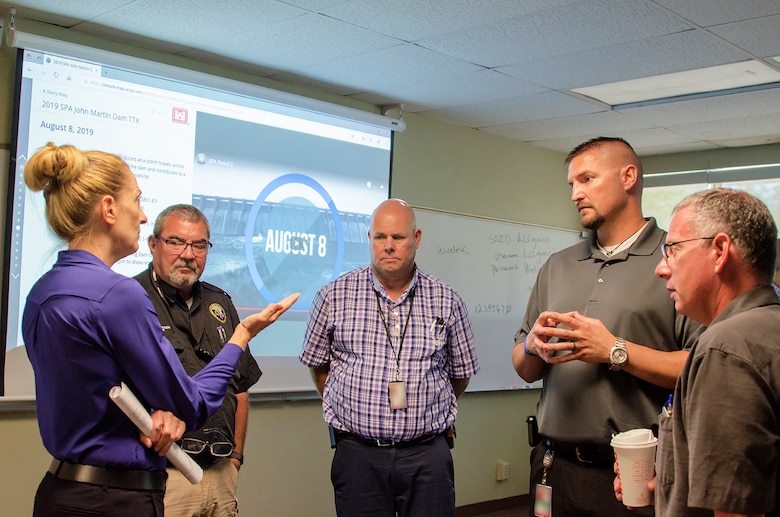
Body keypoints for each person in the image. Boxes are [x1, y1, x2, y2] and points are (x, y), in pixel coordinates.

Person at [22, 142, 297, 517]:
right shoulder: (120, 294)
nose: (141, 215)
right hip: (115, 499)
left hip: (61, 493)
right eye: (136, 200)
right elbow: (193, 404)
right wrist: (241, 337)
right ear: (108, 208)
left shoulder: (43, 291)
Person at [511, 136, 701, 516]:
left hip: (629, 473)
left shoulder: (674, 258)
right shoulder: (557, 265)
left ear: (628, 177)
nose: (575, 194)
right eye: (572, 184)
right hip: (553, 468)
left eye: (587, 179)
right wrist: (533, 345)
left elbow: (700, 369)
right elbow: (525, 368)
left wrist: (614, 350)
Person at [299, 198, 479, 517]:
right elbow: (319, 366)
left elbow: (460, 375)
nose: (389, 246)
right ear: (369, 239)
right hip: (358, 455)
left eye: (398, 237)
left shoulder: (447, 300)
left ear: (417, 238)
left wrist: (425, 405)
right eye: (380, 237)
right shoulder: (332, 296)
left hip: (427, 456)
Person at [616, 187, 780, 516]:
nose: (661, 268)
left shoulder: (727, 347)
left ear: (719, 251)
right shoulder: (766, 326)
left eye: (672, 250)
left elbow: (737, 509)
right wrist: (671, 482)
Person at [134, 204, 260, 516]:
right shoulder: (131, 298)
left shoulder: (220, 303)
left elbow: (240, 387)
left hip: (220, 471)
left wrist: (236, 457)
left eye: (199, 245)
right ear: (153, 245)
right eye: (176, 242)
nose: (188, 254)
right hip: (163, 476)